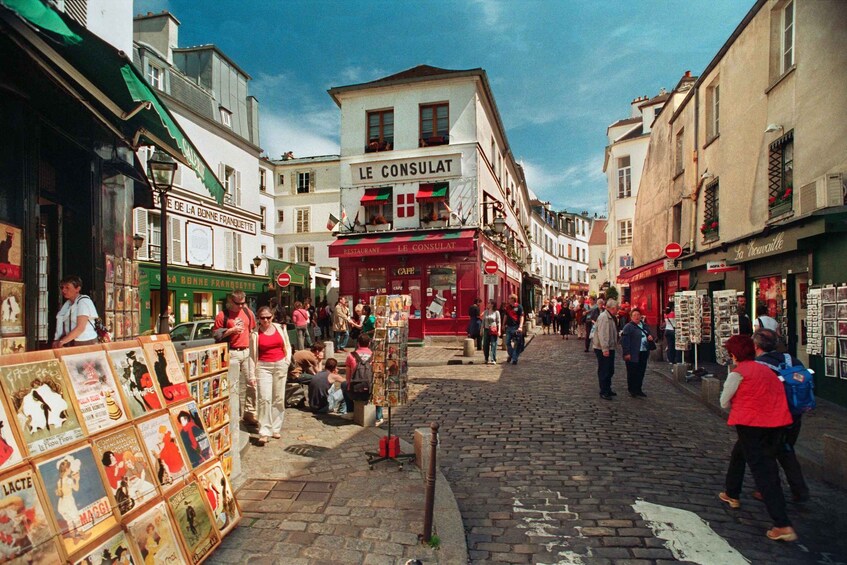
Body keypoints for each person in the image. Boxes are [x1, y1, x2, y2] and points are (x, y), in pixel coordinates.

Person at [718, 334, 796, 542]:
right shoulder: (766, 370)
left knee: (764, 471)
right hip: (777, 423)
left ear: (734, 355)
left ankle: (782, 524)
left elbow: (724, 402)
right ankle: (731, 492)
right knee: (739, 454)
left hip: (752, 424)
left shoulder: (739, 373)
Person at [753, 328, 810, 502]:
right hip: (795, 413)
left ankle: (769, 489)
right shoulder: (791, 359)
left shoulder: (760, 365)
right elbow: (803, 379)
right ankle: (799, 490)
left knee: (767, 452)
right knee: (786, 449)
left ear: (756, 345)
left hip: (773, 414)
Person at [213, 290, 257, 428]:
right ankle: (234, 415)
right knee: (233, 386)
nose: (241, 306)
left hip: (246, 351)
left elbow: (253, 330)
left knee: (252, 383)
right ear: (231, 302)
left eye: (243, 303)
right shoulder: (222, 315)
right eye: (238, 304)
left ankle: (249, 413)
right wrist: (231, 331)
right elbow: (216, 335)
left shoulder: (248, 313)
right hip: (232, 352)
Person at [252, 306, 291, 446]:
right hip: (263, 367)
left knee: (278, 398)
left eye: (268, 317)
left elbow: (286, 344)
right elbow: (252, 355)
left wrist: (287, 361)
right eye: (262, 317)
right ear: (258, 318)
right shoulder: (255, 333)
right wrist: (252, 374)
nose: (266, 320)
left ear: (272, 316)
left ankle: (275, 427)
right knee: (264, 398)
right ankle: (264, 431)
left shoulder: (280, 328)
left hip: (280, 364)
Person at [52, 275, 99, 348]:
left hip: (85, 341)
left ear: (77, 289)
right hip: (71, 340)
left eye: (67, 287)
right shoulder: (68, 304)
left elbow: (80, 327)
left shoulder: (83, 302)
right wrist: (58, 339)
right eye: (62, 288)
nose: (63, 290)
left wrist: (62, 341)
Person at [346, 333, 381, 423]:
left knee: (343, 385)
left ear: (358, 343)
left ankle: (350, 411)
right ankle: (378, 415)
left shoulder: (351, 356)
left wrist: (349, 386)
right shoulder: (374, 355)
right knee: (379, 388)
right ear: (369, 343)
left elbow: (348, 376)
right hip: (370, 389)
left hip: (355, 389)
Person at [621, 308, 655, 397]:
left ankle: (638, 389)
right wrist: (626, 353)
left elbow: (650, 334)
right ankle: (632, 389)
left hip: (643, 352)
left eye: (638, 315)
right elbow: (625, 341)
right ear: (631, 317)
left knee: (641, 371)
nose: (636, 317)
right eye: (634, 315)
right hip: (633, 353)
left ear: (641, 316)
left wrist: (651, 337)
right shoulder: (628, 327)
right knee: (632, 372)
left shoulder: (645, 326)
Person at [592, 299, 618, 400]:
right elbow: (603, 334)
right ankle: (604, 390)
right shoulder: (604, 317)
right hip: (603, 348)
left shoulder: (610, 317)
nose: (617, 310)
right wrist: (605, 349)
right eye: (616, 308)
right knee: (604, 369)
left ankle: (607, 388)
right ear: (612, 308)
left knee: (610, 369)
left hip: (609, 347)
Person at [287, 342, 325, 407]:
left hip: (291, 374)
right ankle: (314, 403)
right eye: (323, 351)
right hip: (294, 375)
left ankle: (302, 401)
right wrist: (320, 360)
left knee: (313, 378)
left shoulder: (306, 353)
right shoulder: (312, 357)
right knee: (315, 381)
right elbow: (319, 373)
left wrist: (314, 375)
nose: (324, 353)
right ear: (317, 351)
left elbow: (308, 369)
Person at [503, 294, 525, 365]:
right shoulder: (507, 307)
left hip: (516, 327)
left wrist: (520, 327)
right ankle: (513, 356)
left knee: (517, 344)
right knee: (507, 342)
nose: (508, 300)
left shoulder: (519, 307)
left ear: (513, 299)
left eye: (509, 298)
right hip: (509, 327)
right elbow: (505, 316)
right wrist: (503, 324)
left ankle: (514, 358)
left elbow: (521, 317)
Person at [481, 299, 501, 365]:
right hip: (486, 329)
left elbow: (498, 322)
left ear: (492, 304)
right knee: (485, 345)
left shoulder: (496, 312)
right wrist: (481, 330)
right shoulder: (486, 312)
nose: (487, 304)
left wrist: (499, 330)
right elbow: (483, 322)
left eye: (489, 303)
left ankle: (493, 359)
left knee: (493, 344)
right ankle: (486, 358)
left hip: (493, 330)